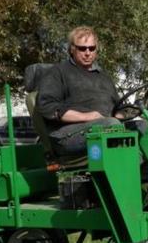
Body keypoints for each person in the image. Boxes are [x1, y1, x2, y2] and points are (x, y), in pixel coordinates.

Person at [35, 26, 122, 156]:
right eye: (82, 48)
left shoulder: (104, 77)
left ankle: (145, 176)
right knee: (111, 125)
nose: (88, 53)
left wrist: (124, 113)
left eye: (92, 48)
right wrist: (88, 117)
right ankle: (121, 174)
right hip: (68, 134)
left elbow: (118, 106)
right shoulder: (58, 72)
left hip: (106, 125)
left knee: (143, 127)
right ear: (72, 49)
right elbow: (46, 106)